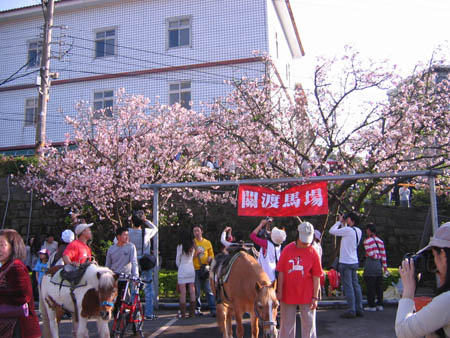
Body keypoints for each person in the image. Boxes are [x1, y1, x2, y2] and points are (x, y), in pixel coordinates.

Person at [395, 222, 450, 338]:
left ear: (443, 256)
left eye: (434, 255)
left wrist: (409, 289)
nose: (434, 263)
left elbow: (403, 331)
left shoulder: (447, 301)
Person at [276, 222, 323, 338]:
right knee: (286, 326)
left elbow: (316, 276)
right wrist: (279, 292)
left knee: (309, 325)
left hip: (307, 295)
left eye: (308, 240)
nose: (306, 243)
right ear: (297, 235)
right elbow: (281, 272)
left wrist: (315, 297)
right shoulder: (287, 250)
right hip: (288, 293)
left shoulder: (313, 252)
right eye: (303, 240)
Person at [0, 229, 41, 338]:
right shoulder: (5, 267)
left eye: (2, 245)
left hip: (20, 327)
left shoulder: (16, 267)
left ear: (13, 247)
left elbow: (23, 297)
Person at [329, 212, 364, 318]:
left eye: (347, 218)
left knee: (349, 287)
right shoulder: (358, 231)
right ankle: (359, 308)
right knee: (356, 286)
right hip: (354, 261)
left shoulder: (348, 230)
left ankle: (351, 310)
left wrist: (339, 222)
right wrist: (343, 224)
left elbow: (332, 231)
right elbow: (345, 233)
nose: (346, 219)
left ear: (351, 220)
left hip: (346, 262)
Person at [129, 210, 158, 320]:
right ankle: (149, 314)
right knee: (148, 288)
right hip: (145, 262)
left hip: (133, 262)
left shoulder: (128, 232)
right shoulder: (146, 232)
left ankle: (135, 312)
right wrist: (146, 221)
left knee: (134, 288)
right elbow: (155, 229)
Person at [106, 227, 138, 314]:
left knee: (123, 299)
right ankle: (116, 319)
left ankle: (125, 316)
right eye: (125, 235)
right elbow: (108, 265)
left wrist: (135, 276)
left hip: (125, 278)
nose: (127, 237)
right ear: (118, 237)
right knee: (113, 300)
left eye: (128, 235)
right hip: (114, 279)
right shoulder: (111, 249)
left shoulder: (131, 247)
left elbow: (134, 262)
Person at [250, 218, 286, 282]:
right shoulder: (279, 246)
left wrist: (261, 224)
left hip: (264, 277)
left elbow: (252, 236)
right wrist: (267, 224)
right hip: (273, 277)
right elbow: (268, 234)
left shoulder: (266, 244)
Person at [363, 223, 388, 312]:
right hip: (378, 266)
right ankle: (380, 304)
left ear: (369, 230)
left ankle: (371, 305)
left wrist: (376, 256)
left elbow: (370, 253)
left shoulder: (367, 241)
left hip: (370, 265)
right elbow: (384, 255)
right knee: (378, 286)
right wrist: (385, 267)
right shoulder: (380, 241)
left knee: (370, 286)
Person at [192, 224, 216, 317]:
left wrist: (210, 258)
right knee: (197, 290)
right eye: (194, 231)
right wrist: (195, 254)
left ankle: (213, 309)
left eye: (198, 230)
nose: (196, 233)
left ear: (202, 231)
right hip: (195, 269)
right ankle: (197, 309)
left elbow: (212, 254)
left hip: (205, 269)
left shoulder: (207, 242)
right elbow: (188, 257)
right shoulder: (192, 243)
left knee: (208, 289)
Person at [175, 228, 196, 319]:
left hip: (182, 269)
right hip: (191, 268)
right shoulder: (192, 246)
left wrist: (179, 266)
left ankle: (183, 314)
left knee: (183, 292)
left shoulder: (180, 247)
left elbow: (177, 261)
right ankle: (192, 313)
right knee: (192, 290)